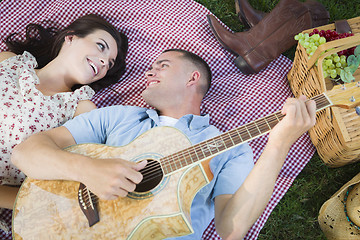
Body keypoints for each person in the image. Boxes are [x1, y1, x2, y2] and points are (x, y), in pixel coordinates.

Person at [11, 49, 316, 239]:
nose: (148, 71)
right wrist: (88, 170)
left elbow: (230, 229)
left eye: (163, 65)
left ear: (192, 77)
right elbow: (26, 152)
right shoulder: (119, 117)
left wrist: (279, 144)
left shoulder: (230, 147)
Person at [0, 13, 128, 227]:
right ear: (70, 37)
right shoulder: (8, 61)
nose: (105, 62)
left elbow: (55, 190)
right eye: (100, 46)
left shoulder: (81, 110)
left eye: (110, 63)